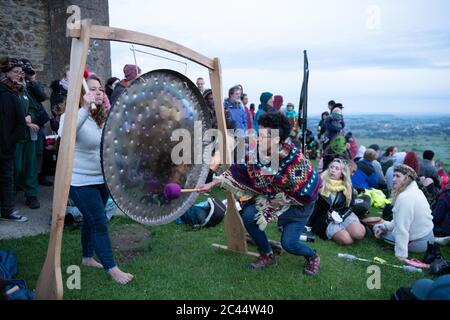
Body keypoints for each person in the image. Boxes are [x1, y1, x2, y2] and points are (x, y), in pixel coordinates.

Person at [197, 112, 321, 275]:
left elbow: (309, 189)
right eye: (258, 134)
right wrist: (213, 182)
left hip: (298, 206)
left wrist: (282, 201)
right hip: (271, 201)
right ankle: (267, 254)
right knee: (249, 215)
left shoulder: (296, 160)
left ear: (276, 139)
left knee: (289, 244)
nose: (257, 139)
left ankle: (312, 256)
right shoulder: (257, 155)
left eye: (263, 136)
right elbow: (240, 170)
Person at [58, 75, 133, 284]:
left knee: (91, 221)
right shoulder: (71, 116)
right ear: (80, 93)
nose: (98, 92)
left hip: (102, 179)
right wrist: (84, 107)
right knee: (99, 222)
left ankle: (87, 257)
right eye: (92, 89)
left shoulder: (100, 116)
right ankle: (112, 268)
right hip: (80, 182)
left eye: (100, 89)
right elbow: (66, 133)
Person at [373, 164, 434, 261]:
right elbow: (399, 219)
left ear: (407, 178)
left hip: (418, 242)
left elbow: (402, 229)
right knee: (382, 226)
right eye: (393, 176)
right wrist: (385, 226)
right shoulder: (416, 191)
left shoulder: (405, 197)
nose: (393, 179)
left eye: (397, 176)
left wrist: (401, 254)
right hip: (429, 237)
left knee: (376, 227)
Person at [308, 158, 366, 244]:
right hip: (325, 219)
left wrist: (341, 216)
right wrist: (326, 214)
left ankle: (347, 227)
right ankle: (340, 230)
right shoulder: (319, 182)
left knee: (359, 234)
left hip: (342, 214)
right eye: (331, 167)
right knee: (347, 240)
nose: (333, 170)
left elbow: (350, 206)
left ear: (342, 174)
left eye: (337, 169)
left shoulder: (347, 187)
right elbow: (311, 206)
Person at [0, 57, 28, 222]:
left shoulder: (14, 92)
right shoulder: (6, 93)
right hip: (4, 142)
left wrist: (9, 141)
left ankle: (7, 210)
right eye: (16, 72)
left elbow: (20, 122)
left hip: (7, 144)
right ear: (6, 73)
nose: (19, 75)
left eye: (20, 72)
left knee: (7, 177)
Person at [20, 59, 52, 187]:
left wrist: (32, 81)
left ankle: (39, 176)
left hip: (38, 122)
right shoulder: (16, 83)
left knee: (40, 151)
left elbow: (42, 96)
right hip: (24, 123)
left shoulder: (33, 83)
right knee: (26, 154)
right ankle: (23, 180)